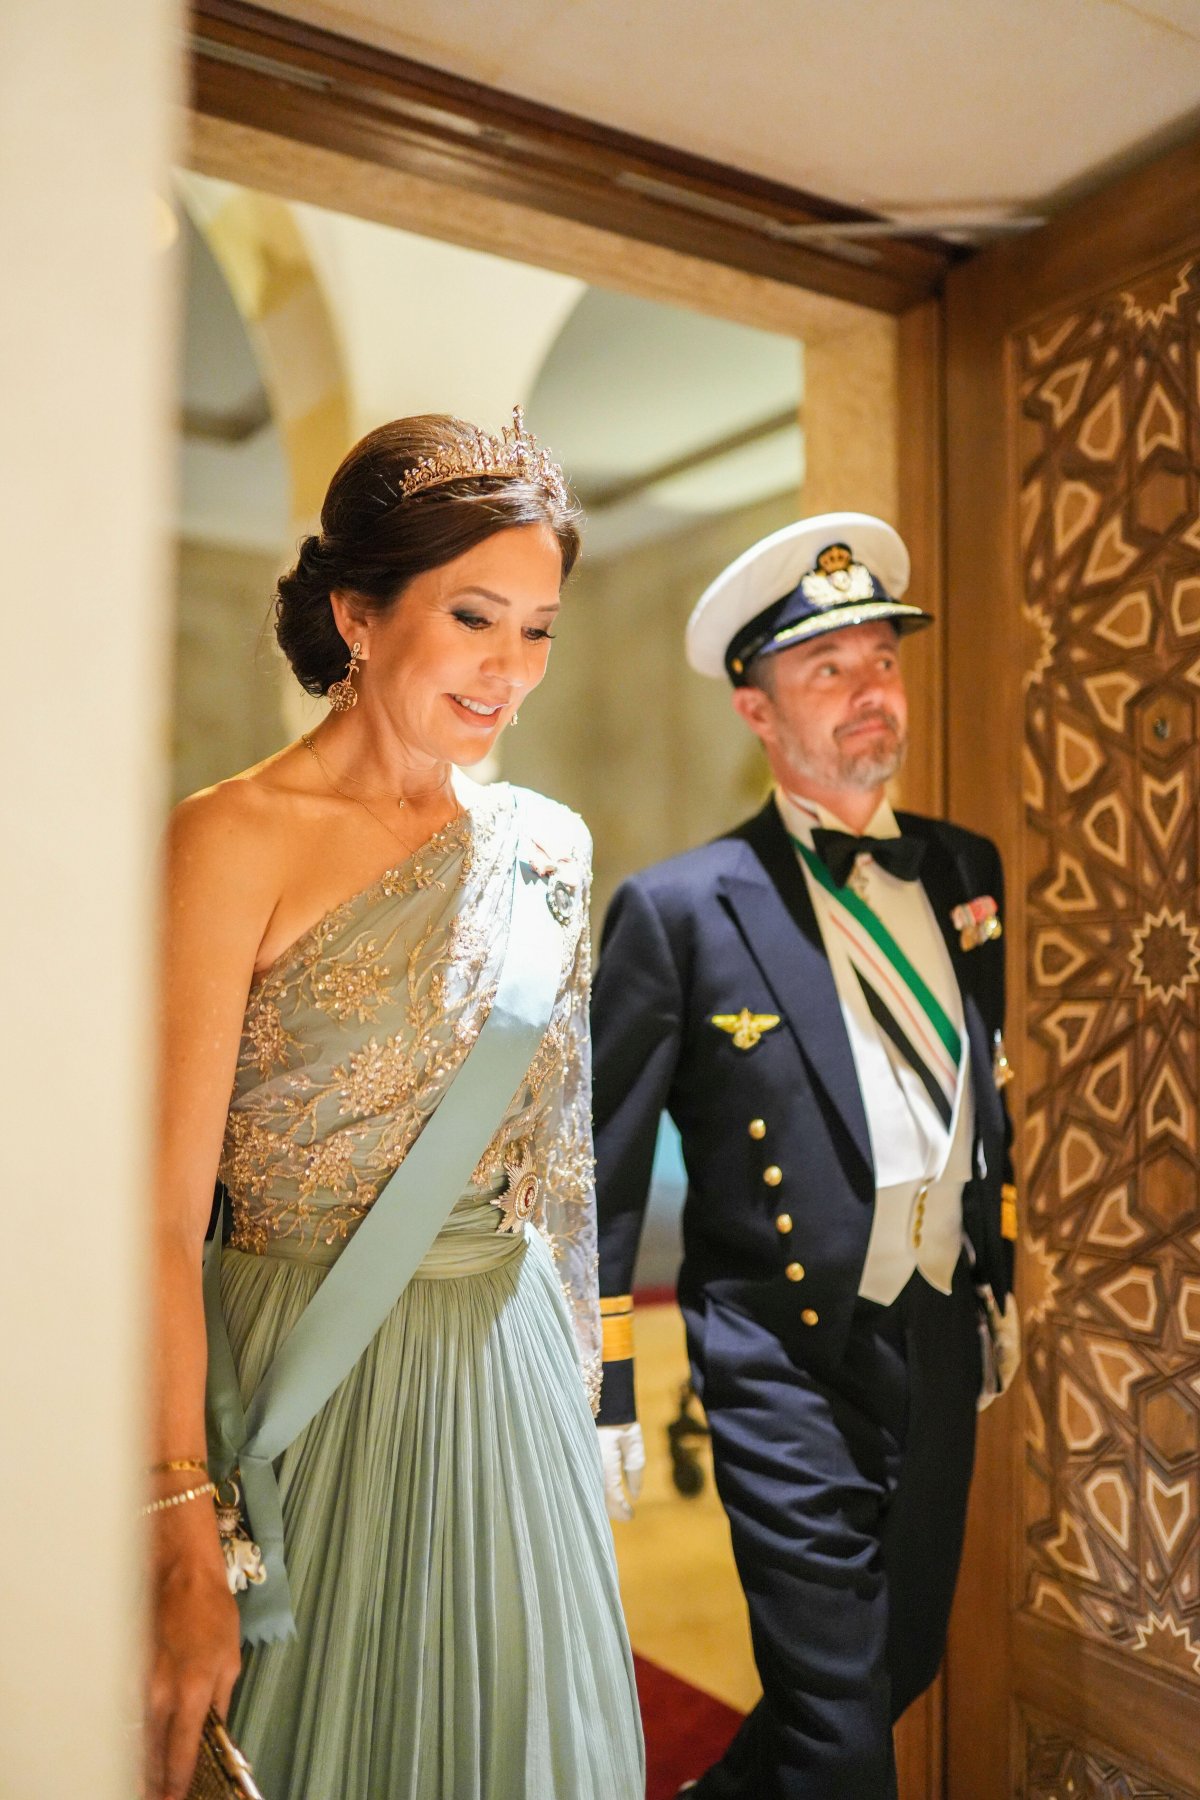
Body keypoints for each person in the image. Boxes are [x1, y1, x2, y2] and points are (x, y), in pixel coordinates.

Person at [145, 409, 644, 1800]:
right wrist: (177, 1509)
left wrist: (591, 1408)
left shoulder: (547, 845)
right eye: (475, 617)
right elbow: (156, 1214)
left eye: (539, 627)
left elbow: (558, 1171)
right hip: (298, 1387)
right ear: (359, 615)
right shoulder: (231, 839)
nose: (511, 670)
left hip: (507, 1390)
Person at [590, 513, 1019, 1799]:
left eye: (881, 660)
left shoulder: (961, 867)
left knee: (899, 1665)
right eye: (827, 671)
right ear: (756, 710)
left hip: (934, 1329)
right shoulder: (680, 909)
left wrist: (993, 1285)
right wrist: (605, 1380)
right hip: (781, 1352)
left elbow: (982, 1094)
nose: (869, 693)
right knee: (839, 1736)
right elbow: (601, 1168)